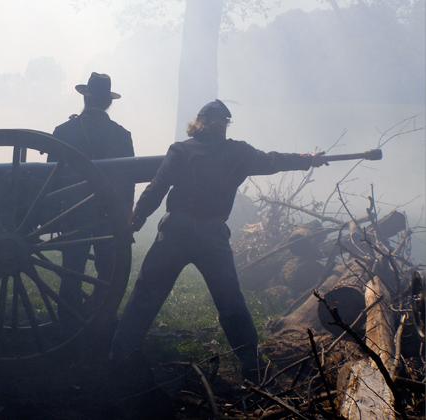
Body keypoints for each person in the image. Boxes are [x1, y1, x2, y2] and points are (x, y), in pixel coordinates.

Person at [110, 99, 328, 382]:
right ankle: (251, 364)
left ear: (198, 124)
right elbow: (273, 161)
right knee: (230, 302)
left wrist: (135, 222)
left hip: (177, 232)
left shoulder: (182, 150)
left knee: (147, 294)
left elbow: (156, 189)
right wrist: (307, 159)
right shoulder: (237, 152)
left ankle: (120, 354)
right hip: (211, 236)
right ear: (220, 125)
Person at [50, 72, 135, 332]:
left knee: (72, 268)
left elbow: (50, 178)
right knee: (108, 269)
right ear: (108, 102)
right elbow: (128, 180)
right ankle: (100, 314)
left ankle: (68, 320)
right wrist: (126, 214)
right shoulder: (121, 135)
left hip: (72, 211)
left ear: (85, 98)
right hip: (108, 212)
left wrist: (54, 214)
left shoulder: (63, 131)